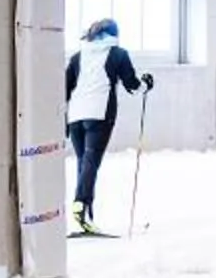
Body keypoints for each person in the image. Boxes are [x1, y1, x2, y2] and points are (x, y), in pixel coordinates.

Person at [64, 18, 153, 237]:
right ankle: (80, 203)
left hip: (75, 116)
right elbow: (131, 84)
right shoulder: (117, 54)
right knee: (91, 162)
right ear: (114, 34)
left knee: (84, 163)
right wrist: (146, 84)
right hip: (100, 115)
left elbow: (64, 88)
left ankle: (85, 217)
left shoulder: (78, 56)